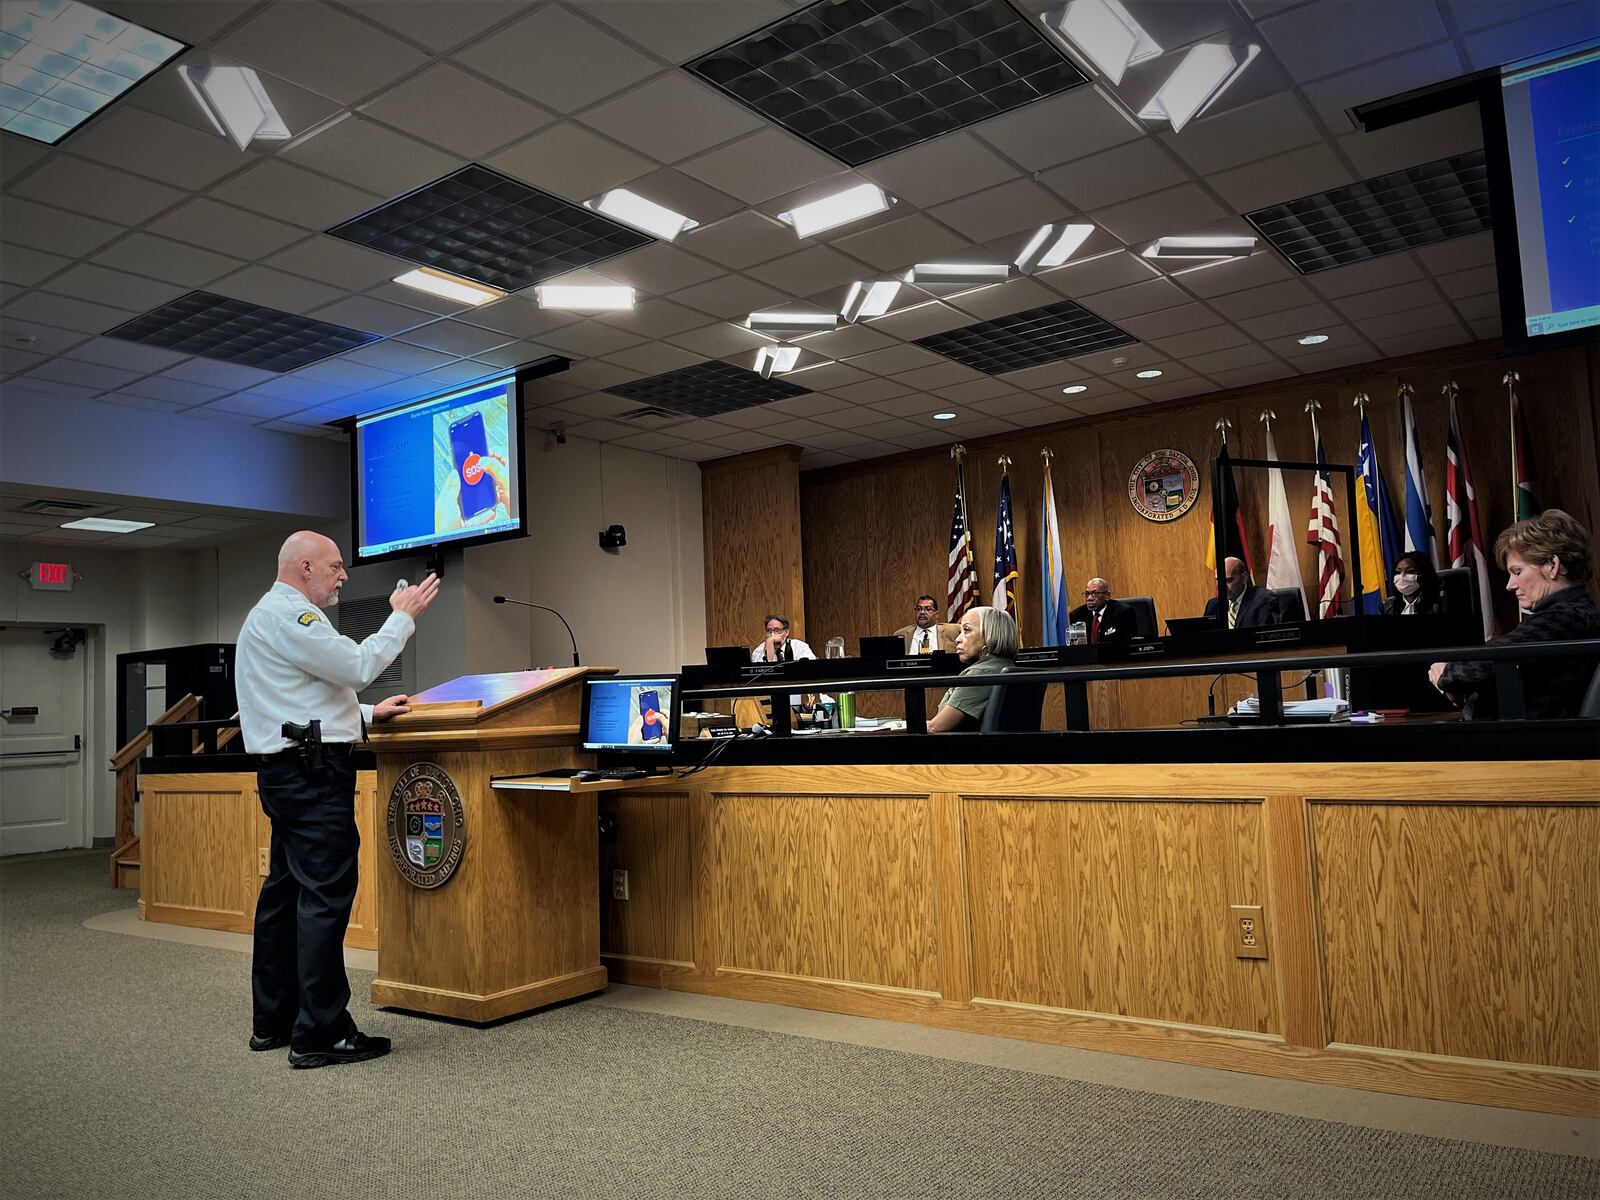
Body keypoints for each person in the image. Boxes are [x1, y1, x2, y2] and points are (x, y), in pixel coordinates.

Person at [236, 531, 439, 1069]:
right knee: (324, 899)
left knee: (284, 895)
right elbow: (353, 666)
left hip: (290, 771)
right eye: (336, 566)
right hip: (312, 775)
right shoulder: (291, 616)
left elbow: (300, 698)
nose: (343, 576)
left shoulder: (271, 616)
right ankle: (321, 1033)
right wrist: (401, 617)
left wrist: (369, 715)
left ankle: (274, 1021)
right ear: (305, 567)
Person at [1429, 509, 1600, 719]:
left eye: (1517, 572)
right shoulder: (1577, 613)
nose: (1510, 585)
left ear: (1553, 566)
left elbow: (1479, 664)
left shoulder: (1564, 617)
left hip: (1526, 746)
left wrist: (1445, 674)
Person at [928, 605, 1019, 732]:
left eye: (966, 630)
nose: (957, 639)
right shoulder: (1005, 666)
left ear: (989, 636)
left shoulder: (979, 674)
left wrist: (895, 729)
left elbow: (936, 727)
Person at [1202, 557, 1277, 629]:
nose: (1222, 587)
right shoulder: (1213, 605)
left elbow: (1265, 637)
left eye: (1229, 581)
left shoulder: (1264, 600)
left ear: (1244, 578)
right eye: (1218, 580)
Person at [1067, 578, 1135, 644]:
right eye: (1087, 594)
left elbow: (1127, 643)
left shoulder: (1123, 613)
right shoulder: (1076, 616)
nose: (1089, 598)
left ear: (1107, 595)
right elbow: (1076, 647)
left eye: (1095, 593)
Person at [895, 595, 959, 654]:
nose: (922, 612)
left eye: (928, 609)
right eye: (919, 609)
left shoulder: (953, 631)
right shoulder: (901, 635)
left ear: (936, 614)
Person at [751, 614, 815, 663]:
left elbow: (811, 666)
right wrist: (770, 646)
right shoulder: (759, 651)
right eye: (769, 631)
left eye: (777, 630)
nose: (772, 635)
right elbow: (763, 673)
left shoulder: (800, 646)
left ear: (786, 632)